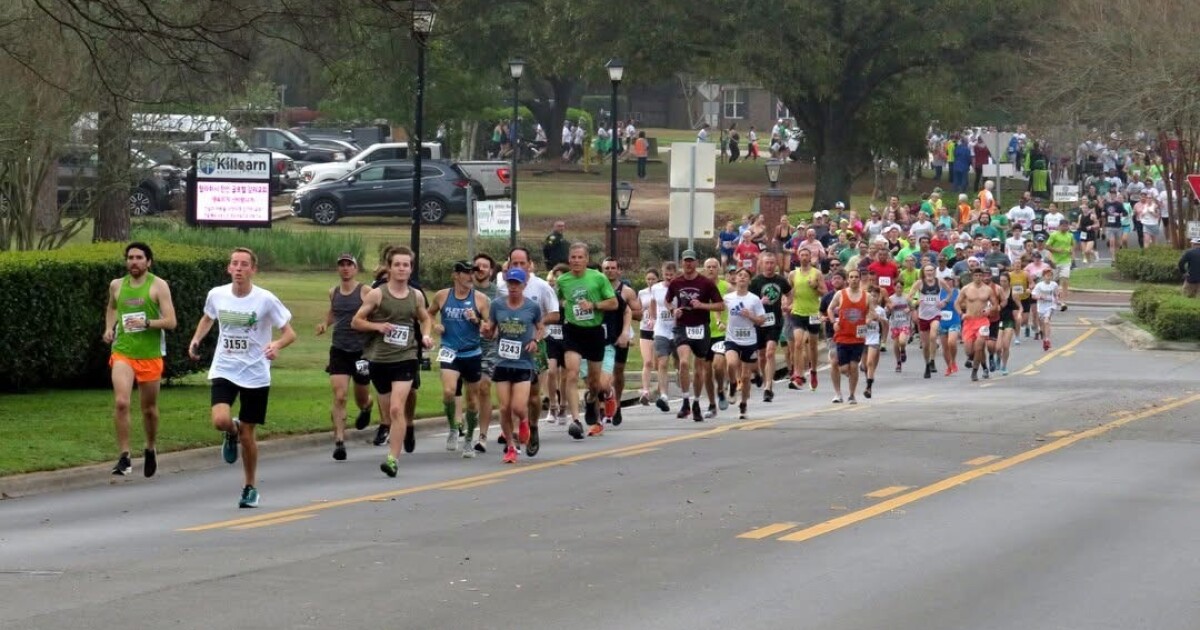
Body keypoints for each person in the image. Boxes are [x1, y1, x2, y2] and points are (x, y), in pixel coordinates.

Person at [187, 248, 296, 508]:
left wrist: (277, 345)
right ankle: (230, 431)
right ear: (228, 268)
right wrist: (196, 339)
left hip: (256, 373)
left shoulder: (265, 300)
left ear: (253, 270)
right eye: (234, 264)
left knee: (249, 436)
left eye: (244, 264)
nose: (238, 268)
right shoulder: (217, 294)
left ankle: (250, 487)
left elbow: (290, 333)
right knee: (220, 420)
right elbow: (207, 318)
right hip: (225, 367)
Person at [353, 247, 434, 478]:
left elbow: (425, 318)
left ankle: (392, 459)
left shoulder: (415, 295)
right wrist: (377, 326)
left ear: (411, 268)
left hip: (406, 357)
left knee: (397, 407)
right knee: (389, 412)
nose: (401, 269)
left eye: (406, 265)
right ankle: (402, 430)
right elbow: (356, 321)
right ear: (389, 268)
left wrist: (426, 335)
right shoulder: (377, 294)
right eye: (397, 264)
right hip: (379, 359)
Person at [104, 242, 177, 477]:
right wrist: (109, 328)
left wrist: (146, 323)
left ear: (148, 262)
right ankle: (124, 456)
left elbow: (171, 321)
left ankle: (150, 447)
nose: (134, 262)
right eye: (130, 258)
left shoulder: (158, 286)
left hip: (150, 354)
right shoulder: (117, 285)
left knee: (149, 409)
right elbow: (112, 308)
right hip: (123, 352)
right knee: (122, 402)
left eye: (139, 258)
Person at [498, 248, 560, 455]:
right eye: (513, 263)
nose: (517, 267)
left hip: (535, 344)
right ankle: (514, 432)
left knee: (533, 396)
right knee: (509, 399)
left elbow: (555, 314)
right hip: (508, 346)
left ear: (529, 264)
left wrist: (536, 322)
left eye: (521, 263)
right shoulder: (502, 285)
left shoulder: (541, 286)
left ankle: (532, 426)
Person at [482, 267, 545, 464]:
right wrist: (485, 331)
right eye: (510, 283)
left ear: (524, 285)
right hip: (502, 361)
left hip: (524, 363)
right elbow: (491, 331)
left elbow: (540, 327)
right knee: (504, 408)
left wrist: (535, 340)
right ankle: (510, 446)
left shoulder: (532, 307)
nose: (513, 287)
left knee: (518, 407)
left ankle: (524, 422)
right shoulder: (497, 305)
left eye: (517, 284)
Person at [429, 261, 491, 458]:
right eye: (465, 272)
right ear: (455, 275)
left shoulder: (480, 299)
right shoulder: (442, 295)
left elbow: (489, 329)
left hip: (472, 352)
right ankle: (453, 428)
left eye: (472, 272)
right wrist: (435, 325)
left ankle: (468, 440)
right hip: (449, 350)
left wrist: (477, 321)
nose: (470, 276)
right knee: (448, 391)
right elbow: (427, 314)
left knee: (472, 401)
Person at [556, 243, 618, 439]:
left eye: (579, 257)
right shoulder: (563, 280)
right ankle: (575, 420)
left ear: (587, 259)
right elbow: (560, 299)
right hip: (572, 331)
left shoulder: (598, 278)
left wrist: (593, 305)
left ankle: (592, 398)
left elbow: (614, 303)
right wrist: (565, 304)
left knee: (594, 383)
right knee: (571, 373)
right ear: (569, 259)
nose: (575, 261)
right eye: (573, 257)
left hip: (594, 332)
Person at [316, 253, 373, 461]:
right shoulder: (333, 292)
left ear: (356, 269)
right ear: (338, 269)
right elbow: (334, 312)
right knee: (339, 395)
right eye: (342, 265)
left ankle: (367, 406)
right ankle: (339, 441)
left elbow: (375, 313)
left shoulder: (365, 291)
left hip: (361, 351)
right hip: (339, 349)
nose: (346, 268)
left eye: (349, 265)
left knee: (360, 396)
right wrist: (325, 324)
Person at [666, 249, 725, 421]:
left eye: (691, 261)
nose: (688, 264)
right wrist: (673, 310)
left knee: (699, 369)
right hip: (683, 326)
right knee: (684, 363)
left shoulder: (706, 283)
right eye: (685, 261)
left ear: (696, 262)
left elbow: (720, 305)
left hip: (701, 327)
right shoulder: (676, 282)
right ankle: (685, 402)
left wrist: (702, 306)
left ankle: (696, 402)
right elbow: (667, 300)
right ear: (681, 262)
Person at [601, 257, 640, 425]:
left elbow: (639, 313)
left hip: (620, 336)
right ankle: (604, 407)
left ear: (619, 271)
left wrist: (626, 310)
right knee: (603, 375)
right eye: (606, 268)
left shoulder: (627, 291)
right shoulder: (597, 289)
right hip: (601, 336)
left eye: (612, 268)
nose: (609, 270)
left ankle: (617, 404)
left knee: (618, 371)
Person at [828, 269, 876, 404]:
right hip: (842, 335)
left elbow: (872, 312)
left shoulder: (867, 296)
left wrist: (867, 320)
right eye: (851, 277)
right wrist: (833, 322)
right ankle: (845, 386)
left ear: (860, 279)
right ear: (847, 280)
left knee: (854, 366)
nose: (854, 279)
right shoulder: (840, 294)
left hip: (858, 336)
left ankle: (851, 395)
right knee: (843, 368)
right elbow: (830, 308)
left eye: (856, 277)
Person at [722, 268, 766, 419]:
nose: (742, 278)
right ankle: (733, 384)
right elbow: (717, 308)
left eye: (745, 276)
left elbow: (762, 320)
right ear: (735, 278)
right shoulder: (727, 297)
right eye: (739, 275)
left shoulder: (754, 299)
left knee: (746, 377)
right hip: (732, 338)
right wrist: (718, 320)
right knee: (732, 364)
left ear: (749, 281)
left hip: (749, 340)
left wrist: (750, 316)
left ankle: (744, 404)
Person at [749, 252, 791, 402]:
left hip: (775, 320)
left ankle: (768, 387)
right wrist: (760, 301)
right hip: (759, 321)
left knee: (770, 353)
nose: (769, 266)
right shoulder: (755, 282)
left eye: (772, 263)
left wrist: (787, 304)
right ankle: (761, 374)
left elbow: (790, 293)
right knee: (761, 355)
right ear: (761, 264)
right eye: (766, 263)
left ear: (776, 264)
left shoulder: (780, 280)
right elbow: (750, 302)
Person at [789, 248, 824, 391]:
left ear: (810, 257)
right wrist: (787, 303)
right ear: (798, 257)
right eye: (802, 255)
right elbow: (789, 292)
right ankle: (798, 374)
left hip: (813, 313)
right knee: (798, 343)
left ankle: (813, 371)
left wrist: (815, 286)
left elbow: (824, 292)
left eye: (806, 255)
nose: (804, 257)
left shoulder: (817, 273)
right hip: (798, 312)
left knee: (813, 345)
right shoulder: (793, 274)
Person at [956, 267, 995, 382]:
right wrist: (961, 314)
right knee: (969, 351)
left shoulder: (988, 289)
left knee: (979, 346)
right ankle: (985, 367)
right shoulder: (966, 289)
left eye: (980, 275)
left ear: (983, 276)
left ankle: (974, 371)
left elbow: (995, 304)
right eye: (976, 275)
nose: (978, 278)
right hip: (969, 321)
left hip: (982, 321)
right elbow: (957, 303)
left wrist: (989, 310)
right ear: (972, 276)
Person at [648, 262, 678, 412]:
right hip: (661, 330)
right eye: (666, 274)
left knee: (680, 362)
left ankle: (680, 375)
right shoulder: (656, 288)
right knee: (662, 362)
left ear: (676, 274)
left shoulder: (680, 287)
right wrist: (652, 319)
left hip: (677, 330)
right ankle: (664, 395)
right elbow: (652, 303)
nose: (669, 277)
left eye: (672, 274)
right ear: (662, 273)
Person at [908, 264, 941, 378]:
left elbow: (950, 292)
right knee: (925, 345)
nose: (930, 272)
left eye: (931, 270)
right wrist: (914, 304)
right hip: (923, 316)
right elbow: (909, 297)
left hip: (935, 314)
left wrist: (944, 302)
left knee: (933, 336)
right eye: (927, 270)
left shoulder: (939, 282)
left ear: (934, 271)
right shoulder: (919, 283)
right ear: (924, 272)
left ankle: (932, 360)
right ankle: (927, 364)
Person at [637, 269, 660, 405]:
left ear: (658, 279)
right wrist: (643, 312)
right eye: (648, 279)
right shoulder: (642, 293)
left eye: (653, 279)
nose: (650, 282)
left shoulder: (661, 291)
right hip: (645, 328)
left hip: (659, 329)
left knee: (658, 363)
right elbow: (637, 310)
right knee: (647, 362)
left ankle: (660, 389)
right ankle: (645, 391)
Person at [862, 286, 888, 398]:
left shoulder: (880, 310)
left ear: (879, 297)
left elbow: (886, 325)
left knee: (870, 363)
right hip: (862, 338)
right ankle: (868, 378)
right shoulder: (862, 308)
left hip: (874, 338)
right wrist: (867, 320)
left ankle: (869, 388)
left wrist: (879, 319)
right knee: (864, 366)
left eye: (876, 296)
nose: (873, 298)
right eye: (871, 295)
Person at [1045, 220, 1074, 311]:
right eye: (1063, 226)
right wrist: (1056, 250)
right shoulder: (1054, 235)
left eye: (1066, 226)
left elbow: (1073, 245)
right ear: (1059, 226)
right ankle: (1053, 299)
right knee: (1054, 282)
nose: (1065, 228)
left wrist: (1071, 251)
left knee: (1065, 280)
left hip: (1066, 261)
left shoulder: (1070, 235)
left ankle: (1063, 302)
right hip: (1055, 262)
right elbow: (1047, 246)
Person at [1031, 267, 1061, 350]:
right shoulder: (1039, 285)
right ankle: (1045, 339)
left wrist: (1057, 300)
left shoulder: (1054, 284)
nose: (1049, 277)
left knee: (1046, 321)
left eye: (1050, 275)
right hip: (1041, 307)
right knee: (1043, 325)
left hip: (1050, 306)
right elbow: (1033, 296)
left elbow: (1056, 294)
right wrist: (1040, 297)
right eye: (1047, 275)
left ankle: (1047, 340)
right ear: (1043, 276)